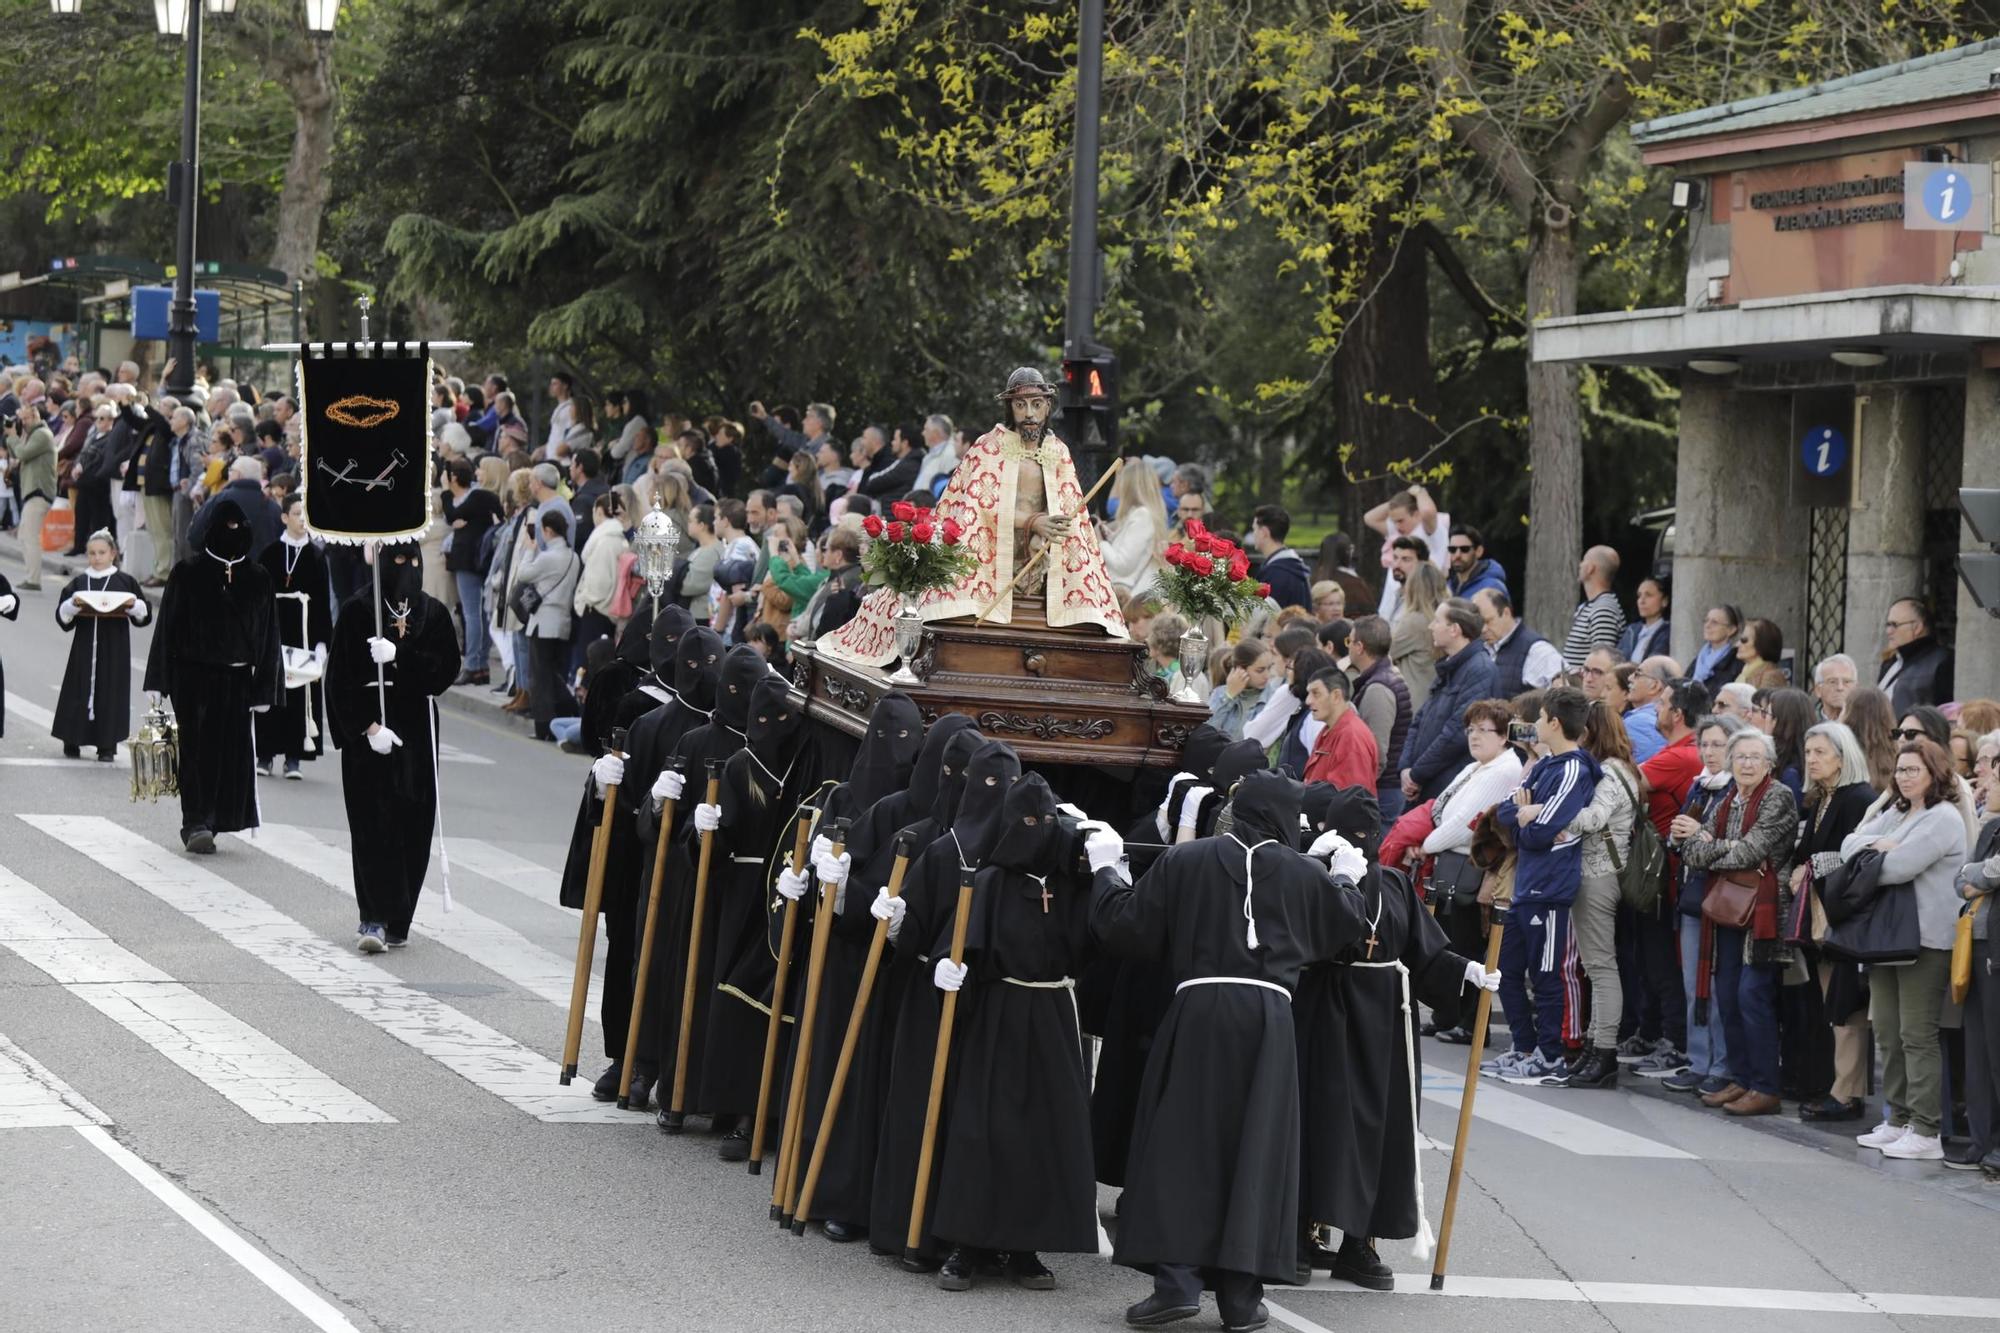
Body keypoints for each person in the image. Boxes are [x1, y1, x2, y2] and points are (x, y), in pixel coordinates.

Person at [1085, 772, 1367, 1332]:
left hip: (1200, 1013)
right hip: (1269, 1022)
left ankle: (1179, 1282)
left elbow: (1125, 927)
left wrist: (1106, 871)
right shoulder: (1304, 872)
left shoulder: (1186, 861)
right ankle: (1240, 1296)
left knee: (1183, 1143)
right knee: (1256, 1149)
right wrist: (1347, 880)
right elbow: (1348, 931)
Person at [922, 774, 1098, 1291]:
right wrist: (946, 968)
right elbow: (959, 943)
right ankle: (967, 1243)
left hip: (1054, 1011)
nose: (1037, 831)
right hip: (999, 1010)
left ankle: (1025, 1247)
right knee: (984, 1126)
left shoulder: (1073, 883)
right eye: (1025, 821)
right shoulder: (992, 881)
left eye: (1045, 821)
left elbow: (1102, 940)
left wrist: (1110, 871)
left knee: (1047, 1129)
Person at [821, 368, 1127, 664]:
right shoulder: (988, 447)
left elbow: (1068, 500)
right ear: (1010, 408)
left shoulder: (1058, 451)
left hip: (1037, 563)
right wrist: (1033, 521)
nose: (1030, 413)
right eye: (1021, 405)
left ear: (1048, 407)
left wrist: (1052, 525)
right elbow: (976, 506)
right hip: (992, 558)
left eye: (1037, 404)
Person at [1835, 737, 1968, 1159]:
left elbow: (1898, 868)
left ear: (1935, 773)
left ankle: (1926, 1131)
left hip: (1927, 940)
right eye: (1900, 769)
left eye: (1913, 770)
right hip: (1886, 939)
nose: (1904, 777)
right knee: (1889, 1033)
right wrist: (1877, 846)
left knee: (1917, 1034)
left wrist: (1878, 852)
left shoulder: (1943, 817)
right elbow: (1848, 843)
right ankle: (1898, 1119)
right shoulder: (1896, 812)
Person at [324, 543, 458, 953]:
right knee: (372, 824)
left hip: (415, 727)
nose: (407, 568)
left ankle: (401, 916)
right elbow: (338, 680)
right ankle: (374, 916)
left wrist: (401, 655)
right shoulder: (357, 610)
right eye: (397, 562)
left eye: (413, 561)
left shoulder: (432, 613)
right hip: (371, 732)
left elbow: (444, 670)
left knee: (413, 822)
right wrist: (366, 726)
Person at [143, 495, 283, 854]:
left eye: (238, 527)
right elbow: (167, 629)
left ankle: (217, 817)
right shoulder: (187, 573)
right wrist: (158, 680)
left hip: (238, 680)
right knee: (196, 750)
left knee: (231, 754)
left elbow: (269, 637)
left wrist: (266, 688)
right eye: (226, 527)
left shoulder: (258, 578)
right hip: (193, 679)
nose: (232, 532)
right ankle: (195, 821)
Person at [1675, 729, 1800, 1118]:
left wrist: (1715, 846)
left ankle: (1765, 1086)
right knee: (1726, 995)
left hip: (1763, 913)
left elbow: (1752, 850)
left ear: (1769, 764)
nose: (1746, 764)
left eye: (1754, 757)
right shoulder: (1729, 798)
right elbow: (1689, 850)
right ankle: (1741, 1078)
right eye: (1740, 757)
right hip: (1727, 907)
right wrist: (1721, 848)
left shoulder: (1778, 796)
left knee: (1752, 996)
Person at [1493, 687, 1602, 1084]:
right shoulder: (1544, 765)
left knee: (1545, 974)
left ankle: (1550, 1054)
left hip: (1550, 889)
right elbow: (1506, 813)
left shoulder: (1574, 768)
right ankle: (1523, 1046)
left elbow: (1541, 833)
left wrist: (1528, 819)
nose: (1535, 725)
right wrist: (1526, 815)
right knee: (1506, 969)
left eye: (1540, 718)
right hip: (1527, 883)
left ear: (1555, 723)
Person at [1417, 698, 1526, 1043]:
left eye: (1484, 730)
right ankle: (1447, 1013)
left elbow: (1465, 824)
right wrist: (1434, 838)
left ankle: (1468, 1022)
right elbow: (1441, 809)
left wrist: (1425, 845)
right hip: (1451, 861)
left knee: (1469, 947)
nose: (1475, 736)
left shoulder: (1504, 769)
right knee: (1448, 940)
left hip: (1473, 865)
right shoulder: (1476, 766)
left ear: (1504, 736)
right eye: (1471, 729)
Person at [1549, 700, 1641, 1089]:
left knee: (1601, 967)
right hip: (1599, 873)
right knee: (1594, 966)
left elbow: (1593, 819)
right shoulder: (1621, 769)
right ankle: (1593, 1046)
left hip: (1598, 875)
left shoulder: (1610, 773)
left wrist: (1547, 813)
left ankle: (1604, 1053)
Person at [1790, 722, 1878, 1124]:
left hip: (1845, 918)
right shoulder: (1822, 798)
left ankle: (1847, 1094)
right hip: (1822, 918)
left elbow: (1855, 858)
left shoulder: (1857, 798)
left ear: (1843, 758)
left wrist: (1810, 867)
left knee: (1847, 1008)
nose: (1811, 759)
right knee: (1834, 1006)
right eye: (1808, 752)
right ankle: (1838, 1087)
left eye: (1820, 752)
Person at [1660, 714, 1746, 1099]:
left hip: (1725, 896)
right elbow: (1681, 841)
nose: (1709, 753)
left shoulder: (1737, 791)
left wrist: (1697, 837)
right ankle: (1698, 1062)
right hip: (1694, 894)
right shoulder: (1699, 788)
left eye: (1717, 745)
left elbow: (1733, 843)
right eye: (1704, 745)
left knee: (1717, 986)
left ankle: (1722, 1064)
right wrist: (1679, 838)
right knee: (1692, 983)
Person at [52, 529, 151, 762]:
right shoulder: (80, 581)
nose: (96, 558)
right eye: (92, 553)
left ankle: (106, 745)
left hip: (114, 650)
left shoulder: (125, 581)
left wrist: (135, 607)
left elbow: (142, 616)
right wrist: (70, 607)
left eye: (101, 553)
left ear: (113, 553)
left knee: (110, 692)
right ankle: (72, 739)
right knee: (78, 688)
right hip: (84, 648)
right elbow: (63, 617)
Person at [254, 495, 331, 780]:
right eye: (297, 513)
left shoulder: (316, 556)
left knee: (300, 692)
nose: (302, 519)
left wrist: (322, 643)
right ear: (285, 517)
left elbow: (323, 601)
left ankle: (294, 756)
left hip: (304, 629)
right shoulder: (270, 552)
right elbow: (259, 596)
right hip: (274, 627)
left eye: (305, 514)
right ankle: (264, 755)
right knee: (271, 689)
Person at [1399, 598, 1498, 803]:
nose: (1431, 626)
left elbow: (1456, 733)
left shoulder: (1479, 670)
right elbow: (1420, 720)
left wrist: (1417, 774)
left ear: (1454, 629)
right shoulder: (1449, 666)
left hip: (1449, 787)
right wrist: (1406, 768)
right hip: (1428, 781)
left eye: (1437, 621)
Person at [1955, 802, 2000, 1173]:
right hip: (1976, 944)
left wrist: (1979, 874)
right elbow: (1960, 880)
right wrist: (1981, 873)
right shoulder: (1989, 829)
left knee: (1997, 1048)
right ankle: (1980, 1141)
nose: (1988, 786)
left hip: (1997, 949)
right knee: (1978, 1048)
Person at [518, 510, 582, 742]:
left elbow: (523, 575)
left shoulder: (546, 557)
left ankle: (543, 726)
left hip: (543, 622)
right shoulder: (574, 558)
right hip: (562, 622)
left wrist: (529, 549)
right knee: (554, 673)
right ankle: (564, 714)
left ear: (547, 531)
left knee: (540, 676)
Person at [441, 457, 503, 686]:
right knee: (481, 613)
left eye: (482, 470)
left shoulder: (479, 496)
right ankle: (481, 666)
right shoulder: (487, 498)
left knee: (472, 614)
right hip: (483, 560)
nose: (478, 473)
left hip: (468, 560)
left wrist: (447, 492)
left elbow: (451, 514)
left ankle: (473, 665)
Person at [1346, 616, 1412, 822]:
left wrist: (1359, 793)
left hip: (1382, 792)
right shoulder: (1384, 677)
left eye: (1349, 641)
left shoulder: (1378, 689)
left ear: (1359, 647)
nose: (1348, 647)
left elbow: (1377, 752)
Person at [1471, 588, 1560, 699]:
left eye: (1488, 621)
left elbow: (1563, 692)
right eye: (1479, 623)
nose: (1483, 629)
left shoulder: (1536, 650)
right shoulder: (1479, 648)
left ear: (1506, 613)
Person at [1300, 668, 1379, 790]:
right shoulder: (1329, 729)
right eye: (1309, 694)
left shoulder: (1351, 736)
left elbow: (1349, 799)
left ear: (1336, 696)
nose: (1308, 701)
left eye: (1316, 693)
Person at [1102, 460, 1167, 599]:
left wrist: (1100, 542)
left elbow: (1123, 565)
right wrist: (1111, 538)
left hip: (1125, 596)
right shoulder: (1141, 514)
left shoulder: (1143, 515)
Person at [1878, 597, 1954, 715]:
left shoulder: (1942, 661)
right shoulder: (1890, 662)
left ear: (1917, 627)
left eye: (1894, 625)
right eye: (1888, 624)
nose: (1889, 631)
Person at [11, 400, 56, 590]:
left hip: (38, 492)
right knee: (24, 536)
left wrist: (13, 436)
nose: (23, 423)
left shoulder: (42, 435)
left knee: (30, 537)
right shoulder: (33, 435)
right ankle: (31, 577)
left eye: (25, 419)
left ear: (36, 416)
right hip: (32, 493)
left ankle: (34, 580)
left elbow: (22, 453)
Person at [1562, 546, 1626, 674]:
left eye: (1584, 561)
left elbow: (1601, 664)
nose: (1580, 565)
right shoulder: (1592, 606)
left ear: (1591, 568)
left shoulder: (1603, 610)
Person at [1391, 562, 1445, 708]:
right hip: (1433, 700)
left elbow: (1384, 653)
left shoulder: (1414, 622)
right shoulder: (1445, 619)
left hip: (1413, 702)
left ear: (1412, 588)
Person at [1208, 637, 1282, 741]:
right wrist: (1228, 696)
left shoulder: (1273, 698)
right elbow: (1206, 731)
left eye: (1269, 668)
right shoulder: (1220, 693)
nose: (1267, 675)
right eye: (1260, 670)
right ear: (1240, 670)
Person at [1250, 504, 1310, 610]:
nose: (1253, 534)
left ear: (1264, 533)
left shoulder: (1275, 573)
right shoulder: (1294, 567)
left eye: (1254, 529)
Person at [1615, 577, 1670, 664]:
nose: (1641, 600)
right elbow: (1615, 660)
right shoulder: (1631, 630)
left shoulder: (1667, 633)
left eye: (1648, 595)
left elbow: (1652, 666)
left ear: (1664, 601)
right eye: (1639, 595)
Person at [1443, 526, 1507, 601]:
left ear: (1479, 551)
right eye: (1452, 549)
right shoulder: (1447, 587)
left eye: (1464, 549)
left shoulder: (1492, 587)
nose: (1457, 555)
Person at [1690, 604, 1745, 689]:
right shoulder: (1701, 658)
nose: (1707, 625)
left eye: (1714, 622)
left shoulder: (1735, 663)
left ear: (1731, 630)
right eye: (1706, 620)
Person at [1813, 653, 1859, 722]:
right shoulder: (1807, 722)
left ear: (1856, 688)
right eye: (1832, 682)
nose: (1840, 688)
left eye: (1846, 682)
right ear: (1818, 690)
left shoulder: (1866, 724)